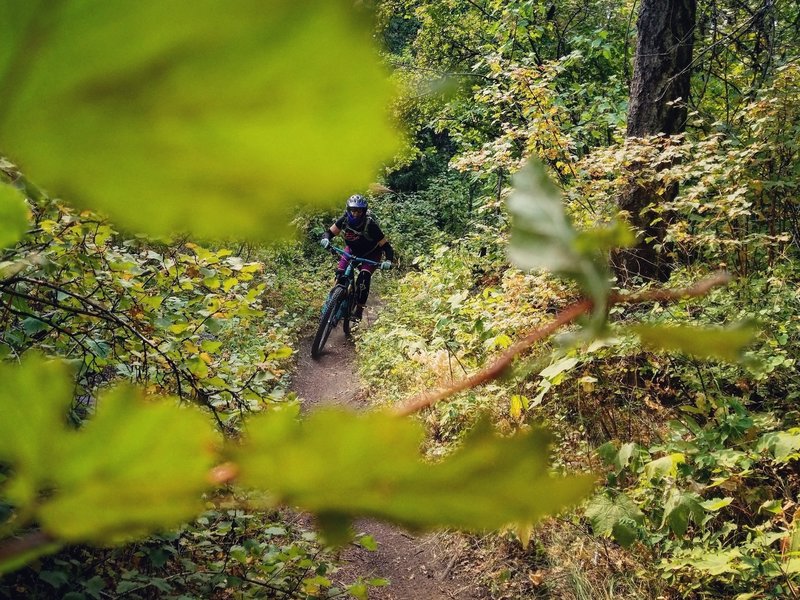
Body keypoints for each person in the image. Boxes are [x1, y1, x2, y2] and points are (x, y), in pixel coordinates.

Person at [320, 194, 394, 320]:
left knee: (363, 279)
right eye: (353, 211)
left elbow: (386, 246)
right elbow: (329, 233)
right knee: (340, 274)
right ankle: (331, 303)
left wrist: (388, 260)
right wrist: (325, 240)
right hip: (351, 251)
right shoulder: (344, 220)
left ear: (363, 212)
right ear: (348, 210)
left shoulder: (370, 225)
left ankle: (359, 310)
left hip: (371, 254)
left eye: (359, 211)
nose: (355, 214)